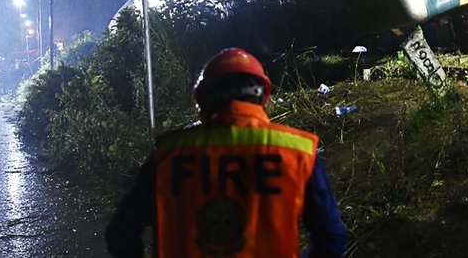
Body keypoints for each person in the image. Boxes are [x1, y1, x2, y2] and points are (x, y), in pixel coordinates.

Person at [106, 48, 348, 258]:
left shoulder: (169, 155)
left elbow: (121, 233)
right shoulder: (297, 152)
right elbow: (332, 238)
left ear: (203, 100)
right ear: (262, 95)